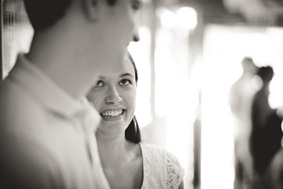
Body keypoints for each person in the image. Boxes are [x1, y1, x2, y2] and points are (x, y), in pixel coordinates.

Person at [0, 0, 141, 188]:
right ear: (93, 4)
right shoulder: (24, 145)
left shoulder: (76, 116)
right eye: (133, 7)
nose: (136, 33)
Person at [86, 52, 185, 189]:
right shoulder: (55, 170)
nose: (114, 98)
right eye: (99, 83)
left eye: (124, 81)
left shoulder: (166, 170)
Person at [228, 57, 259, 189]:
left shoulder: (251, 84)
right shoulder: (238, 86)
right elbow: (234, 107)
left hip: (249, 128)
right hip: (242, 129)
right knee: (242, 159)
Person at [250, 66, 283, 188]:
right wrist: (276, 116)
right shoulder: (260, 97)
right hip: (262, 147)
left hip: (263, 146)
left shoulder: (262, 95)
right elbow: (262, 123)